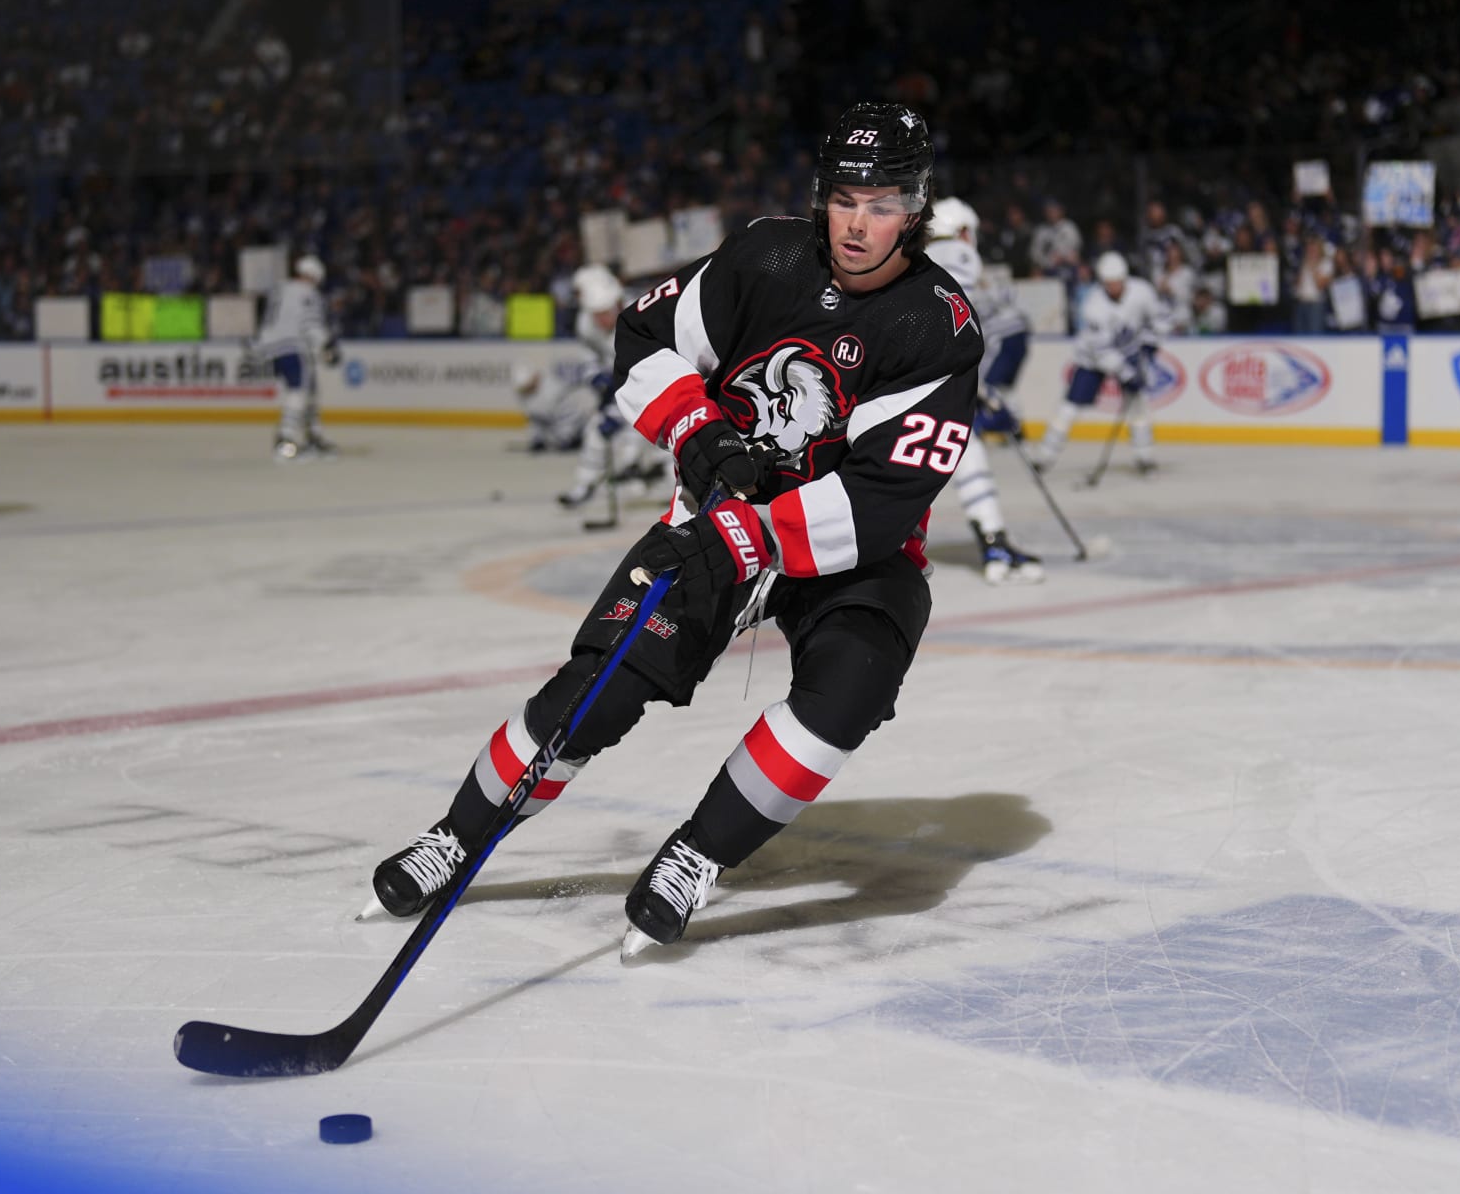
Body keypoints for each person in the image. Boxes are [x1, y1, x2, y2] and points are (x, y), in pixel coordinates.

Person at [368, 102, 985, 958]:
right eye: (845, 200)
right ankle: (456, 837)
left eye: (881, 205)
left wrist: (760, 532)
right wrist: (702, 437)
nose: (857, 224)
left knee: (852, 688)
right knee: (594, 693)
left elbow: (884, 495)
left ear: (914, 209)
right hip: (713, 518)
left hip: (849, 556)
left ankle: (695, 855)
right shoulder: (766, 255)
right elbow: (644, 335)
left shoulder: (937, 325)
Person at [924, 196, 1044, 585]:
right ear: (962, 231)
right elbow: (954, 321)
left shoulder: (918, 255)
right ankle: (993, 543)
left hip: (905, 377)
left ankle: (993, 539)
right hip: (929, 378)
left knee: (963, 449)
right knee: (963, 451)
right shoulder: (958, 253)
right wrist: (976, 385)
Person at [1031, 251, 1163, 475]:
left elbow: (1159, 320)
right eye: (1109, 283)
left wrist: (1150, 346)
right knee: (1069, 408)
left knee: (1138, 406)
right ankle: (1045, 456)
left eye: (1117, 282)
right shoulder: (1094, 306)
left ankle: (1145, 456)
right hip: (1092, 360)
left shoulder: (1142, 291)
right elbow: (1102, 353)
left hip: (1128, 353)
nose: (1114, 287)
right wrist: (1128, 374)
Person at [555, 264, 667, 508]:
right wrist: (596, 376)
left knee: (658, 436)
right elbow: (588, 355)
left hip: (653, 385)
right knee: (597, 430)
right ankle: (586, 484)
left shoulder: (642, 311)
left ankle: (659, 480)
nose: (602, 320)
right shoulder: (585, 323)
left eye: (605, 312)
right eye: (597, 314)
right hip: (621, 387)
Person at [255, 255, 340, 461]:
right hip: (292, 345)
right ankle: (285, 441)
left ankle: (314, 436)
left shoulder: (280, 288)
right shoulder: (307, 292)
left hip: (270, 347)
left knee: (309, 390)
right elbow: (310, 322)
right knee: (299, 391)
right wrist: (326, 344)